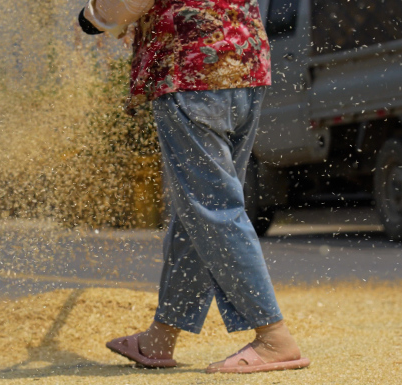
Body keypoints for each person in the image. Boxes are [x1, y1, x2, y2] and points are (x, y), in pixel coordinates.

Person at [78, 0, 310, 373]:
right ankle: (160, 338)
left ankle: (274, 338)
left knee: (212, 209)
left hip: (192, 70)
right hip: (245, 63)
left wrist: (94, 16)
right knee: (197, 211)